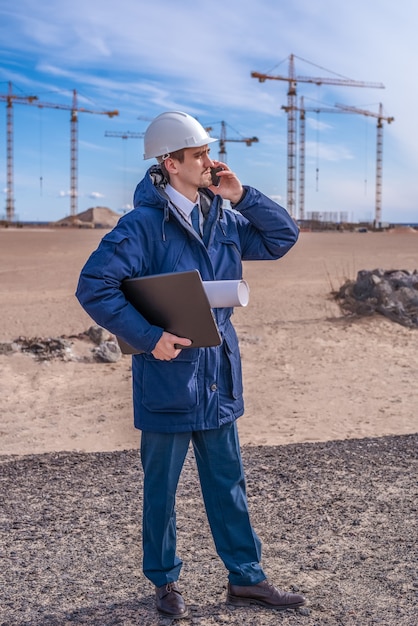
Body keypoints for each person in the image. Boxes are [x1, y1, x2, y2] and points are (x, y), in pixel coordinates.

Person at [76, 111, 305, 619]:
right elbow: (94, 286)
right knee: (161, 490)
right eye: (199, 154)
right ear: (169, 161)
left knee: (229, 484)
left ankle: (246, 579)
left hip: (218, 378)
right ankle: (163, 582)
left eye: (207, 152)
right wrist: (149, 337)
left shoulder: (222, 216)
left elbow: (282, 238)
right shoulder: (142, 226)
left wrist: (242, 196)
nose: (209, 161)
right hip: (167, 378)